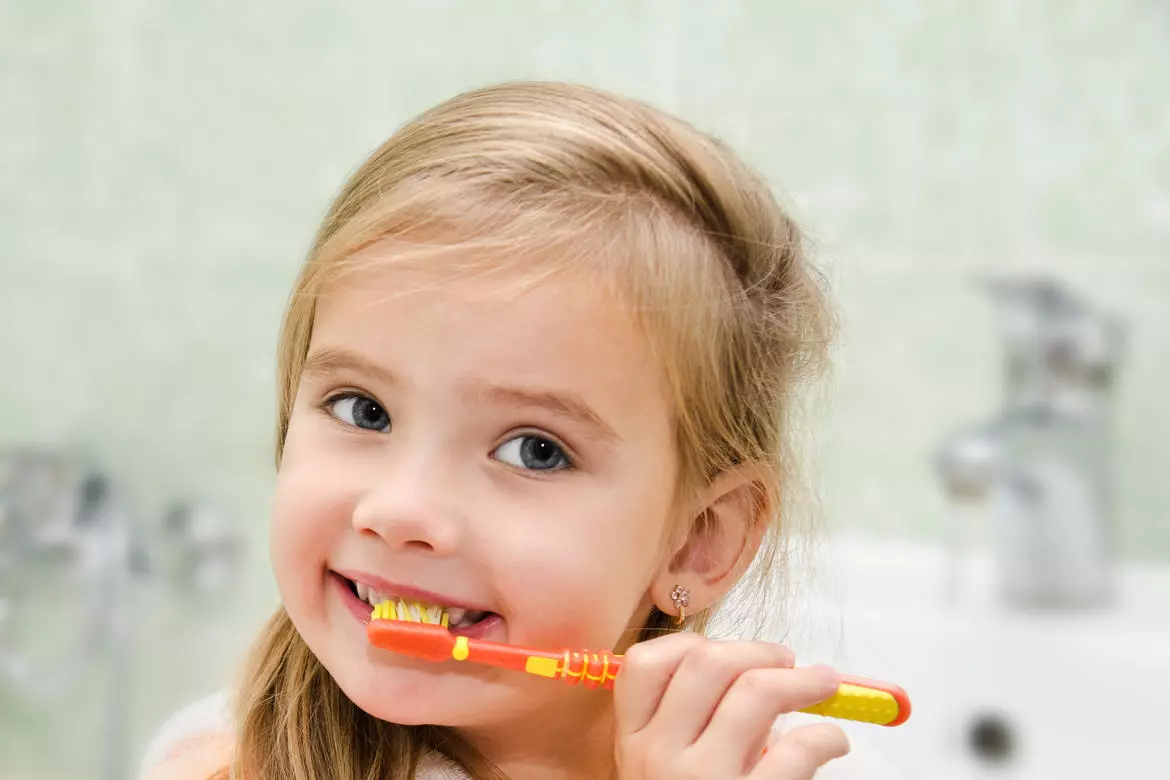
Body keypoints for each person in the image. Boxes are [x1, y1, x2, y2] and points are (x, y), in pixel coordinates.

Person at [142, 80, 863, 780]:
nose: (401, 512)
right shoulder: (215, 764)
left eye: (535, 451)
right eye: (364, 409)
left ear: (701, 537)